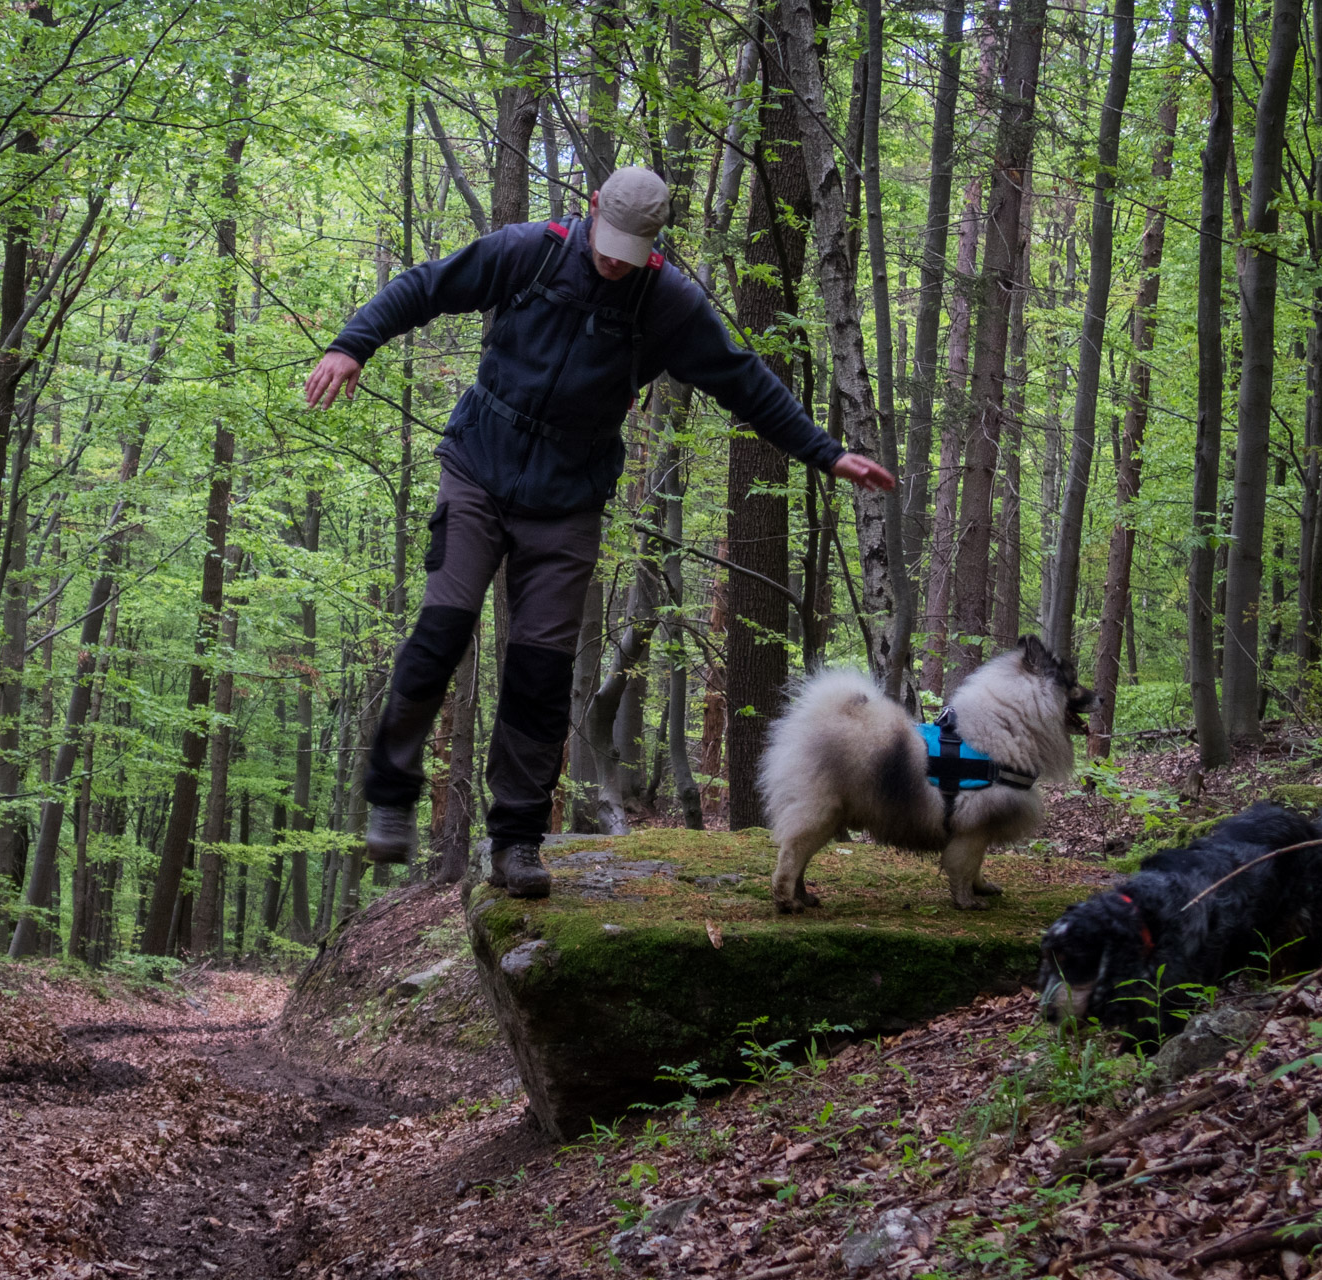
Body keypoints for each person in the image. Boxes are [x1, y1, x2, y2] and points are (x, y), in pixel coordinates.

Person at [303, 166, 895, 899]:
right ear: (591, 211)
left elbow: (743, 380)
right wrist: (350, 343)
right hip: (479, 469)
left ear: (655, 243)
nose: (615, 261)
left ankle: (517, 841)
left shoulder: (666, 302)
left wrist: (826, 452)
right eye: (609, 243)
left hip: (570, 498)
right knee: (441, 631)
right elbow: (424, 286)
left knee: (541, 673)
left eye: (633, 250)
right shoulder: (529, 251)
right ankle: (391, 792)